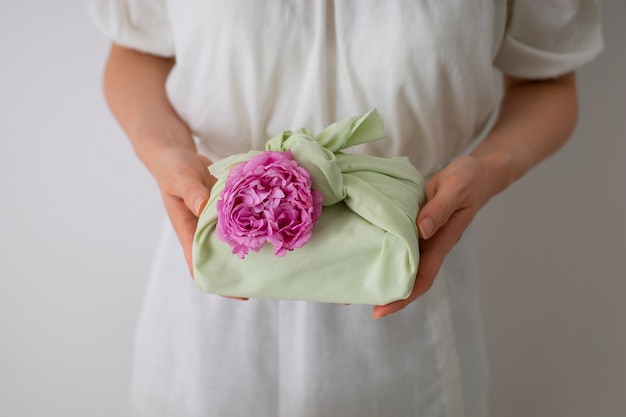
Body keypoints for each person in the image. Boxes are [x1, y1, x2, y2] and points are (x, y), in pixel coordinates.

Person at [90, 1, 603, 416]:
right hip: (210, 311)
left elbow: (548, 79)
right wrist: (167, 155)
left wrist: (489, 168)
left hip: (411, 286)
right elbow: (136, 51)